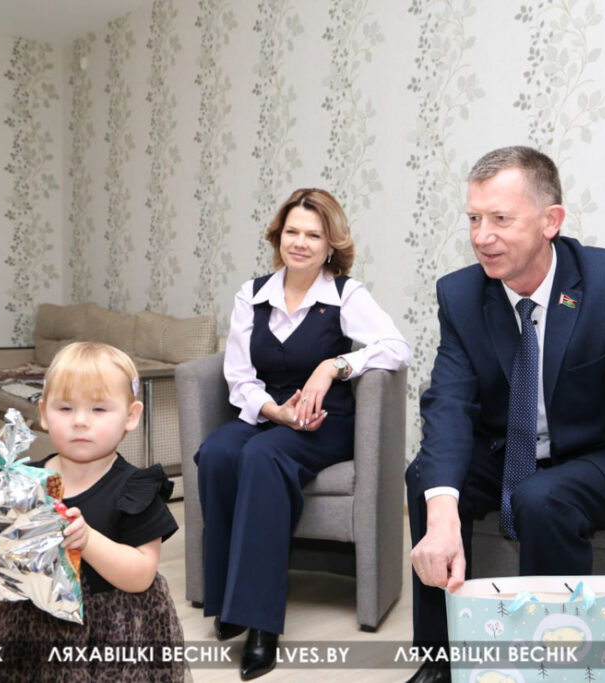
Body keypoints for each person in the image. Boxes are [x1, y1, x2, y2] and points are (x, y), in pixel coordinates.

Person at [405, 146, 605, 683]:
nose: (481, 236)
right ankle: (441, 658)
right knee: (427, 475)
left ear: (550, 221)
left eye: (500, 219)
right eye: (474, 218)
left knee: (542, 498)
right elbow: (448, 403)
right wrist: (442, 516)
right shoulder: (461, 294)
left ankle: (555, 664)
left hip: (598, 455)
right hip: (508, 448)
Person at [194, 187, 411, 680]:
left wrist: (334, 366)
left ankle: (260, 624)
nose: (300, 242)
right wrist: (275, 411)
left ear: (331, 244)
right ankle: (228, 599)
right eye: (292, 231)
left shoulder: (344, 294)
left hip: (325, 423)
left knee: (263, 457)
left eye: (313, 235)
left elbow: (397, 348)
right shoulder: (252, 295)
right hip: (269, 413)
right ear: (278, 237)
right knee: (218, 452)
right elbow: (238, 377)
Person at [0, 341, 186, 682]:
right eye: (66, 408)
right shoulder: (24, 485)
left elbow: (142, 575)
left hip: (113, 633)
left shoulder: (135, 489)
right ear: (44, 413)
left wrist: (87, 542)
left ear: (131, 416)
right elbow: (8, 565)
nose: (81, 421)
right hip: (34, 626)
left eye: (98, 409)